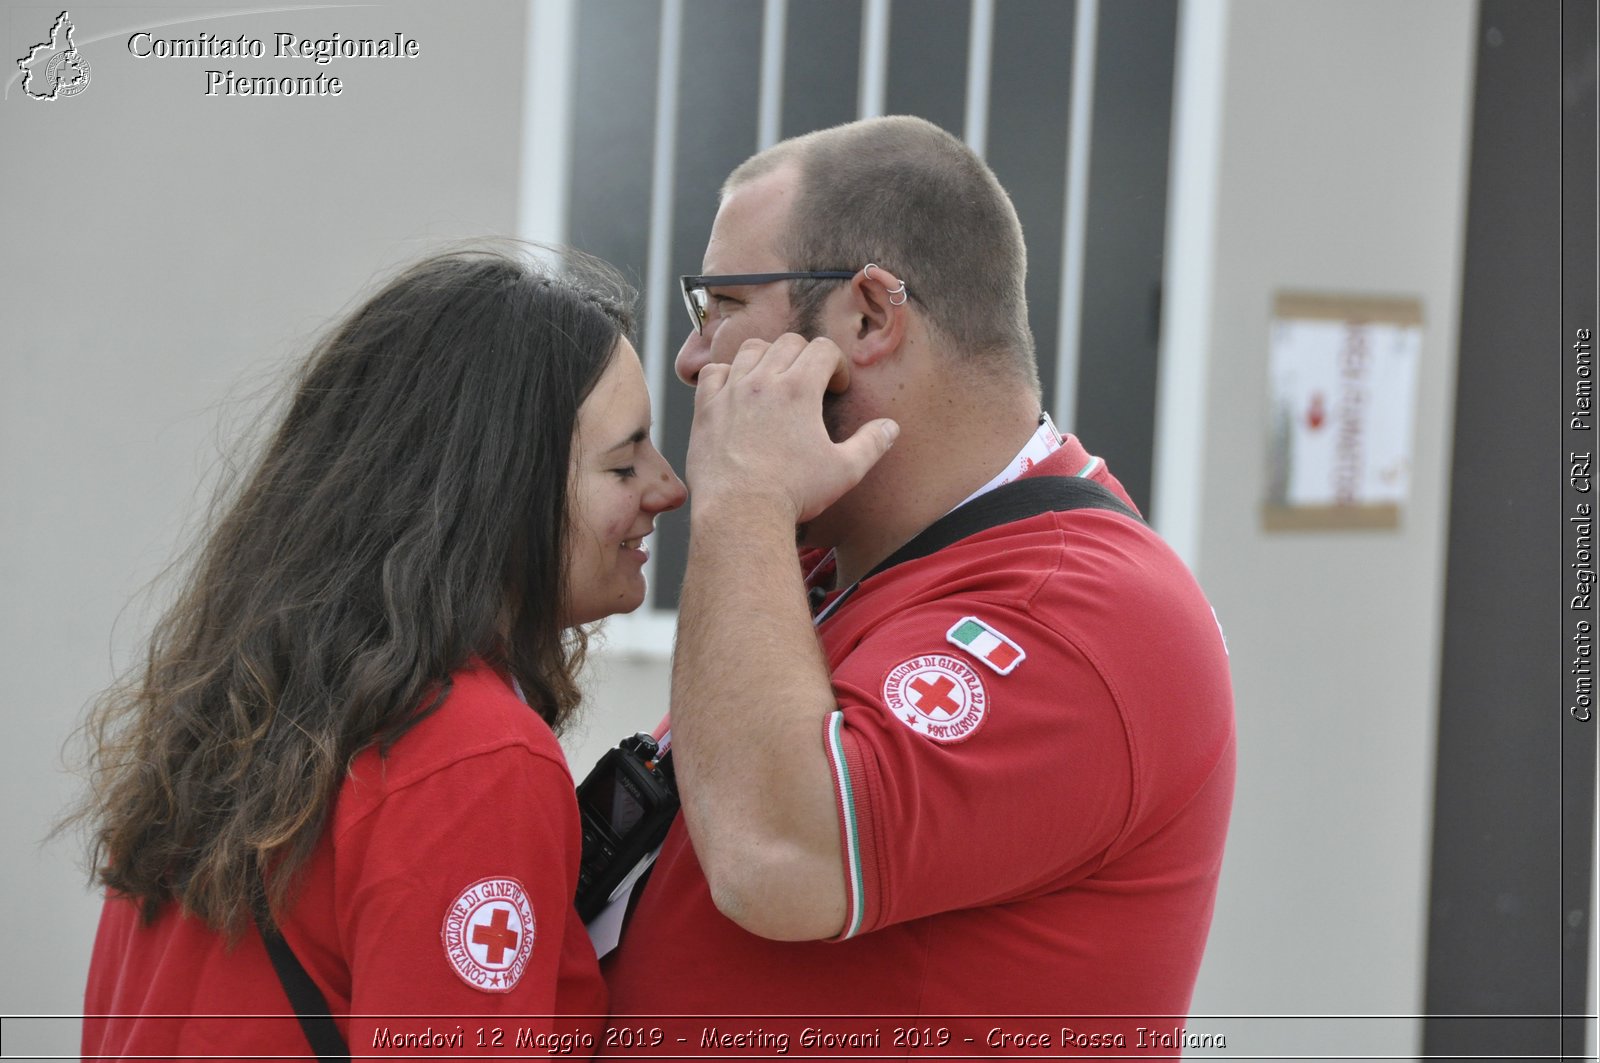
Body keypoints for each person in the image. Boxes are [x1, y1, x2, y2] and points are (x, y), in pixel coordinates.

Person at [601, 116, 1235, 1053]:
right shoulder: (837, 556)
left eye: (722, 304)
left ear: (867, 315)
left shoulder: (1084, 610)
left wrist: (742, 498)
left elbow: (779, 858)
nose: (694, 359)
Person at [73, 246, 686, 1058]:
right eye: (623, 460)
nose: (668, 486)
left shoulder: (236, 717)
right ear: (497, 486)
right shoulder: (474, 758)